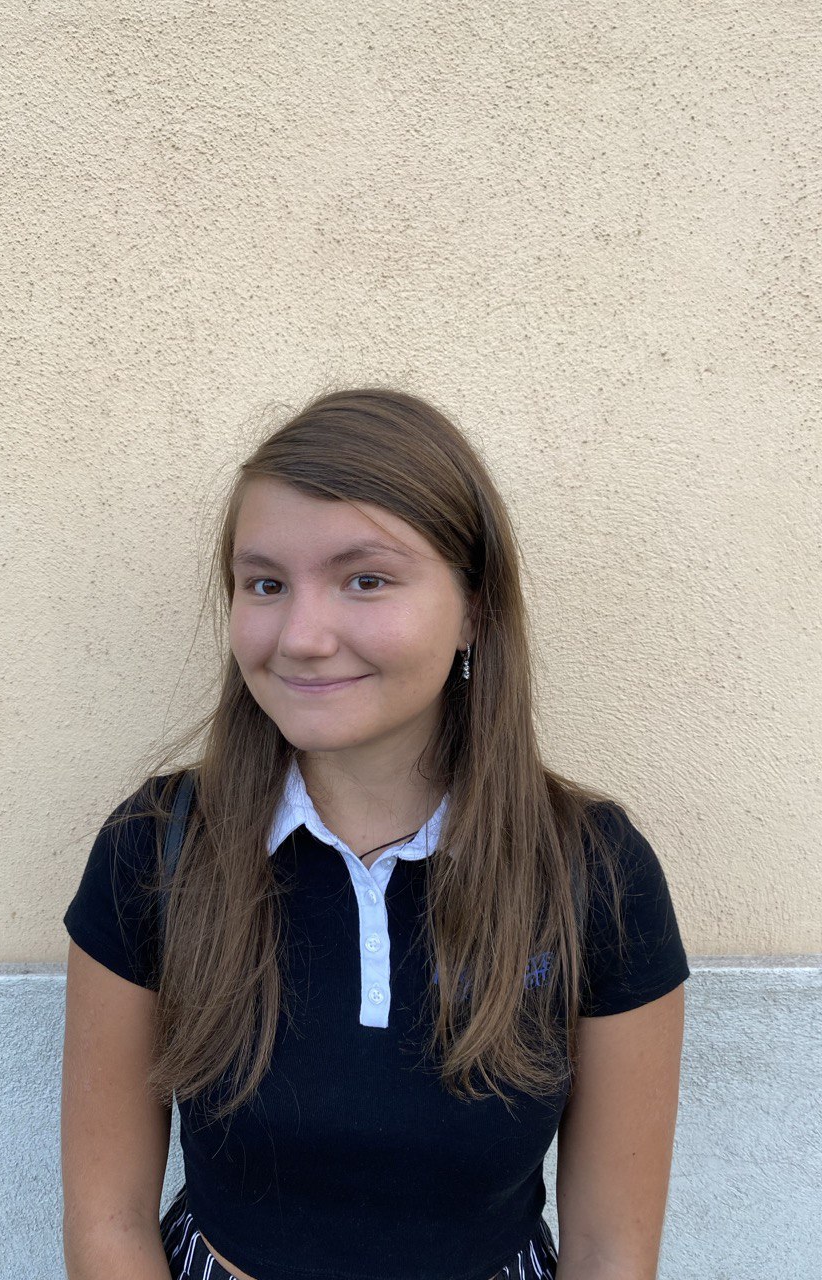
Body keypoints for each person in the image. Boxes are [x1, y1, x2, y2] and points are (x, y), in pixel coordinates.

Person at [61, 387, 691, 1280]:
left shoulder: (592, 871)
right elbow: (107, 1222)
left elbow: (610, 1248)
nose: (301, 636)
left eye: (365, 579)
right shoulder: (157, 848)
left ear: (474, 606)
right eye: (266, 584)